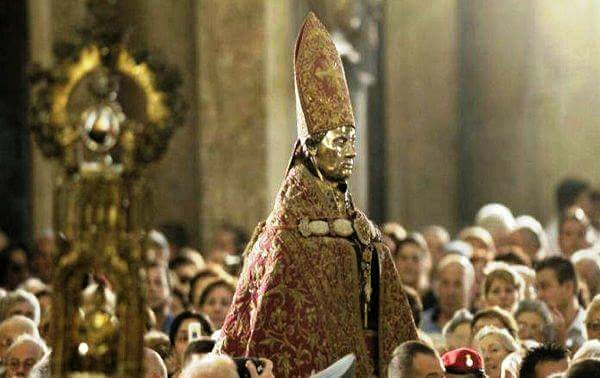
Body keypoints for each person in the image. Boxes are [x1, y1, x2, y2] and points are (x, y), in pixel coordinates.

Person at [215, 12, 417, 377]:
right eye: (340, 140)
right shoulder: (282, 242)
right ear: (310, 147)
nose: (351, 151)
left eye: (353, 140)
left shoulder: (363, 231)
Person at [535, 256, 586, 350]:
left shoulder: (591, 327)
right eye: (537, 288)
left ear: (568, 287)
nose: (539, 295)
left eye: (545, 287)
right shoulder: (541, 329)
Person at [422, 254, 475, 335]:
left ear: (471, 288)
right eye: (445, 283)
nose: (451, 292)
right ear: (437, 287)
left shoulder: (478, 327)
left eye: (458, 284)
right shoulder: (421, 324)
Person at [545, 178, 591, 256]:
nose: (588, 203)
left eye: (580, 234)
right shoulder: (553, 231)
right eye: (584, 198)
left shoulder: (588, 224)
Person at [146, 263, 174, 333]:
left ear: (170, 290)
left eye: (158, 283)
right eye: (147, 282)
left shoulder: (177, 329)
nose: (151, 288)